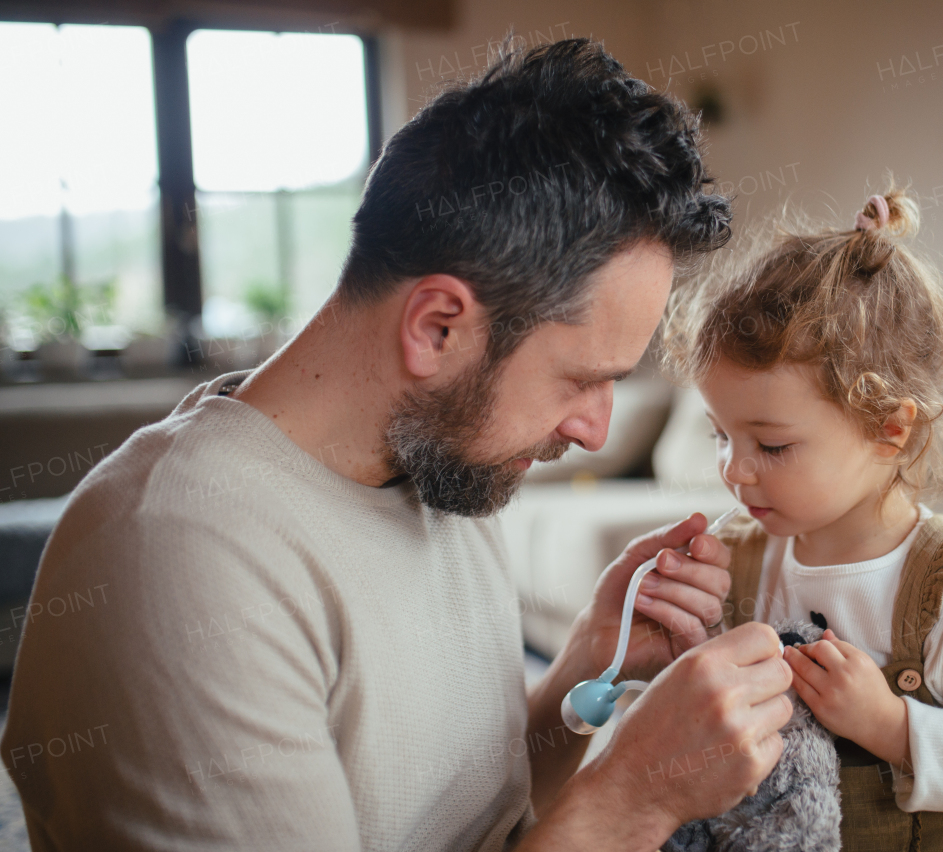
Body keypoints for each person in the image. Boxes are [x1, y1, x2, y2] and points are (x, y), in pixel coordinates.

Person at [0, 39, 795, 851]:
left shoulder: (442, 458)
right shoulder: (176, 557)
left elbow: (468, 814)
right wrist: (634, 799)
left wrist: (592, 662)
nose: (593, 427)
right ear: (437, 326)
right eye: (580, 379)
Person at [660, 187, 943, 849]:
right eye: (720, 436)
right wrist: (688, 628)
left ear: (889, 430)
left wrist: (892, 726)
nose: (733, 471)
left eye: (770, 445)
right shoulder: (738, 558)